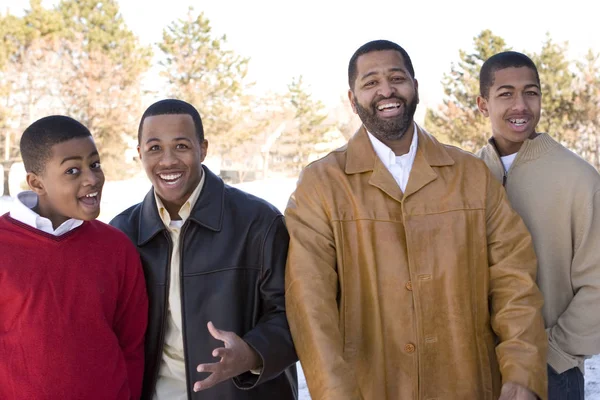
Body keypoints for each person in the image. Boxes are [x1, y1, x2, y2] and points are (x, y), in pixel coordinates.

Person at [284, 40, 548, 400]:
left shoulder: (471, 175)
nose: (386, 90)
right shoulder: (321, 185)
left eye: (397, 78)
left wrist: (522, 374)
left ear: (416, 87)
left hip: (470, 386)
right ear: (352, 98)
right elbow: (310, 304)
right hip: (370, 389)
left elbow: (514, 282)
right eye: (371, 82)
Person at [110, 99, 298, 400]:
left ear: (203, 148)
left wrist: (251, 354)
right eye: (155, 148)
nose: (168, 160)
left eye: (181, 146)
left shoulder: (259, 223)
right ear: (140, 153)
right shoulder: (122, 232)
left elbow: (296, 313)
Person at [477, 51, 600, 400]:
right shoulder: (469, 176)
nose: (521, 105)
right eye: (506, 94)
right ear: (482, 104)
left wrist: (551, 354)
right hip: (479, 368)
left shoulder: (579, 179)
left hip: (552, 372)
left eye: (531, 92)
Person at [0, 115, 148, 400]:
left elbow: (132, 344)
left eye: (94, 164)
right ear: (37, 183)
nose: (92, 179)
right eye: (72, 171)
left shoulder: (117, 247)